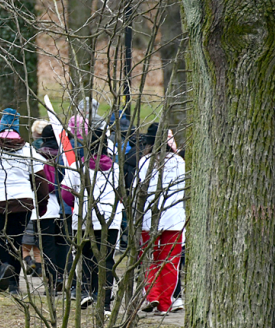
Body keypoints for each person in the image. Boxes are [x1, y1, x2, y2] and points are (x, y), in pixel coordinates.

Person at [0, 109, 48, 294]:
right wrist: (42, 204)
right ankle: (13, 285)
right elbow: (40, 180)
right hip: (22, 202)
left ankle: (4, 267)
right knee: (16, 240)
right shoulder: (28, 150)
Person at [61, 129, 123, 310]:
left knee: (84, 256)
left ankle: (86, 291)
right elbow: (120, 193)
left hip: (83, 219)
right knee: (106, 260)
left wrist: (77, 204)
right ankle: (104, 302)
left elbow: (66, 192)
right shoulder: (116, 169)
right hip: (110, 220)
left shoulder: (77, 167)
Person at [136, 124, 186, 314]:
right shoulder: (179, 162)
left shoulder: (144, 162)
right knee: (170, 263)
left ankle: (153, 295)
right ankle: (165, 303)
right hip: (174, 219)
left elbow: (137, 191)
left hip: (149, 218)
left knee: (149, 259)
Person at [23, 123, 69, 294]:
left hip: (41, 209)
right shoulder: (65, 158)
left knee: (46, 247)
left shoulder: (37, 156)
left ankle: (51, 283)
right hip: (63, 207)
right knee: (62, 245)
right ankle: (60, 278)